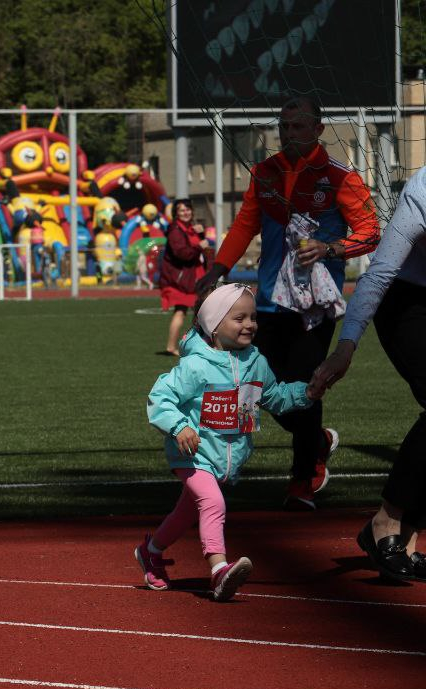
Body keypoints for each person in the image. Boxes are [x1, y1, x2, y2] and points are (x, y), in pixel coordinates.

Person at [197, 96, 379, 510]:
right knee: (256, 388)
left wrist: (330, 248)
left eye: (297, 126)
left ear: (317, 130)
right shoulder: (264, 172)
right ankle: (317, 441)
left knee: (306, 387)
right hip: (267, 304)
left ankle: (303, 480)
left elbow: (371, 232)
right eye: (283, 126)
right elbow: (246, 223)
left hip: (313, 307)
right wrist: (219, 267)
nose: (288, 133)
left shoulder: (339, 176)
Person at [138, 284, 320, 601]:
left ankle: (151, 551)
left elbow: (275, 398)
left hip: (225, 459)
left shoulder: (257, 363)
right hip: (192, 455)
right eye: (239, 318)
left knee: (186, 513)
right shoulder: (196, 365)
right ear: (214, 324)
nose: (249, 324)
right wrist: (180, 427)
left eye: (252, 317)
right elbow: (160, 398)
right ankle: (219, 570)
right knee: (213, 503)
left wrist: (307, 393)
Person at [310, 166, 426, 581]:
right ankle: (386, 523)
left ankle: (407, 535)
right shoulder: (424, 187)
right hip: (408, 303)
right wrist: (346, 347)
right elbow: (379, 274)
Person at [157, 199, 208, 356]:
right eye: (181, 210)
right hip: (183, 279)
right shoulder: (176, 231)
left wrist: (200, 234)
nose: (185, 213)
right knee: (198, 310)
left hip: (191, 276)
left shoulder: (188, 228)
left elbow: (198, 247)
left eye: (188, 209)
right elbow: (183, 253)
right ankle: (181, 346)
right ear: (176, 214)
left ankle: (175, 346)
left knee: (192, 311)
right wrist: (200, 245)